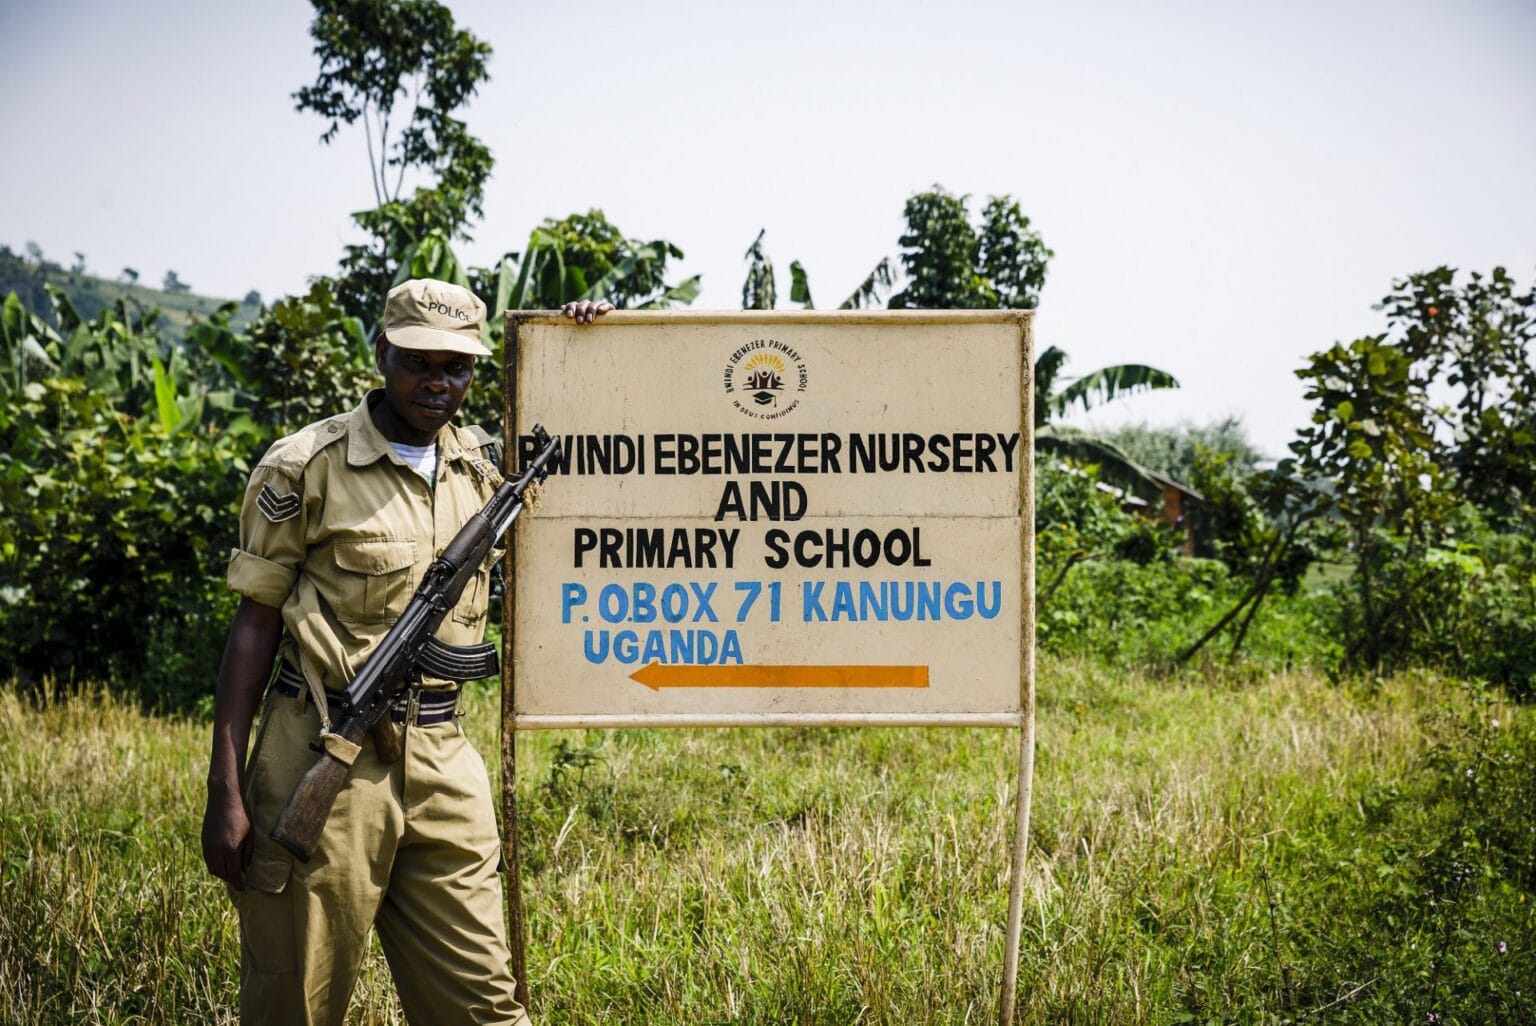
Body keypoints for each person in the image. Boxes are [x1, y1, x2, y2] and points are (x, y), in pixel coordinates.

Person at [200, 280, 611, 1026]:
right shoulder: (305, 466)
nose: (437, 382)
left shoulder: (488, 464)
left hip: (444, 757)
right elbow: (254, 627)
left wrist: (587, 340)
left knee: (485, 1006)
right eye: (419, 361)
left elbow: (601, 452)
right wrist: (224, 791)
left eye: (456, 367)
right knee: (295, 1000)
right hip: (322, 749)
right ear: (382, 352)